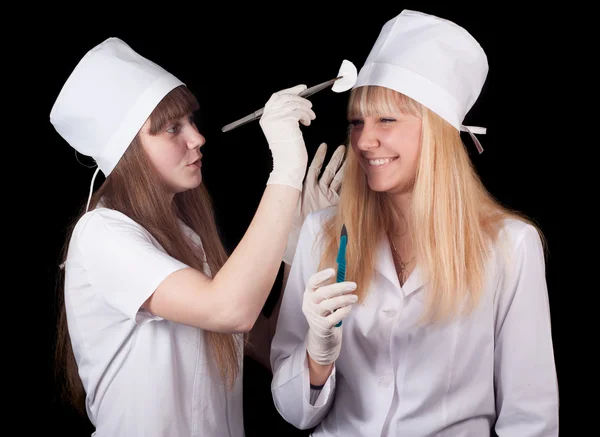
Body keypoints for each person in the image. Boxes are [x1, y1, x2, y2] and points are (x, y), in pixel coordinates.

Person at [270, 9, 559, 437]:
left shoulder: (510, 246)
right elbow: (295, 412)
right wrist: (317, 354)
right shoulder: (322, 232)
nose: (365, 141)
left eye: (387, 119)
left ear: (439, 131)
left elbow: (530, 418)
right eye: (357, 122)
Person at [50, 36, 344, 436]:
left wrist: (293, 241)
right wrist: (287, 169)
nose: (197, 138)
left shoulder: (188, 238)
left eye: (191, 121)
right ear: (127, 151)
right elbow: (229, 308)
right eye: (173, 128)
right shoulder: (102, 235)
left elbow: (268, 341)